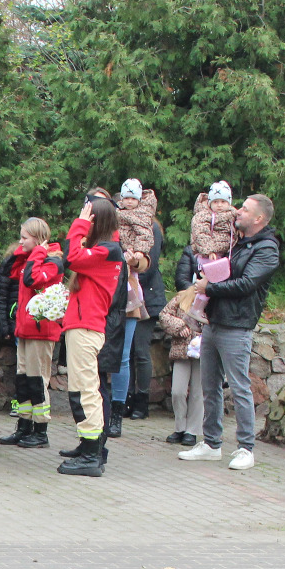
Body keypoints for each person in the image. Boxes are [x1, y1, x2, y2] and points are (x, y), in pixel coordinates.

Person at [182, 193, 280, 470]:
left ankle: (246, 448)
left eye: (245, 210)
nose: (238, 211)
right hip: (214, 321)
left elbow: (246, 284)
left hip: (237, 325)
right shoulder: (236, 242)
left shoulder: (267, 249)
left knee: (239, 388)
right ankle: (212, 443)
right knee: (209, 386)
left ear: (259, 218)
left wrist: (209, 288)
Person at [53, 196, 124, 476]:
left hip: (86, 328)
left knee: (85, 392)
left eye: (87, 216)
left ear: (95, 221)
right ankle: (88, 447)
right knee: (81, 390)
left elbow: (71, 258)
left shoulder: (108, 250)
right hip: (82, 326)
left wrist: (80, 225)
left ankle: (92, 454)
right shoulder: (106, 249)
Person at [0, 217, 61, 448]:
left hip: (41, 330)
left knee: (37, 379)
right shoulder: (31, 259)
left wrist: (38, 253)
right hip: (25, 328)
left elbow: (31, 279)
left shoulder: (52, 261)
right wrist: (28, 252)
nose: (20, 241)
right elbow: (11, 268)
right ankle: (24, 426)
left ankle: (40, 430)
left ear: (38, 239)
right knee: (23, 379)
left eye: (24, 238)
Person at [110, 179, 164, 424]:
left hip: (145, 295)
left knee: (140, 351)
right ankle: (126, 399)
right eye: (126, 199)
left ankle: (141, 399)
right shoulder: (119, 222)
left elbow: (149, 264)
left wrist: (133, 268)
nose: (128, 203)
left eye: (133, 199)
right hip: (125, 291)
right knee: (126, 352)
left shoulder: (150, 227)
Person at [157, 282, 207, 449]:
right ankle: (180, 427)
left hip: (202, 351)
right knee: (178, 391)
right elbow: (164, 315)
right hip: (181, 350)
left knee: (197, 392)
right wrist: (180, 327)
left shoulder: (212, 298)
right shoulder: (182, 297)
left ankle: (192, 430)